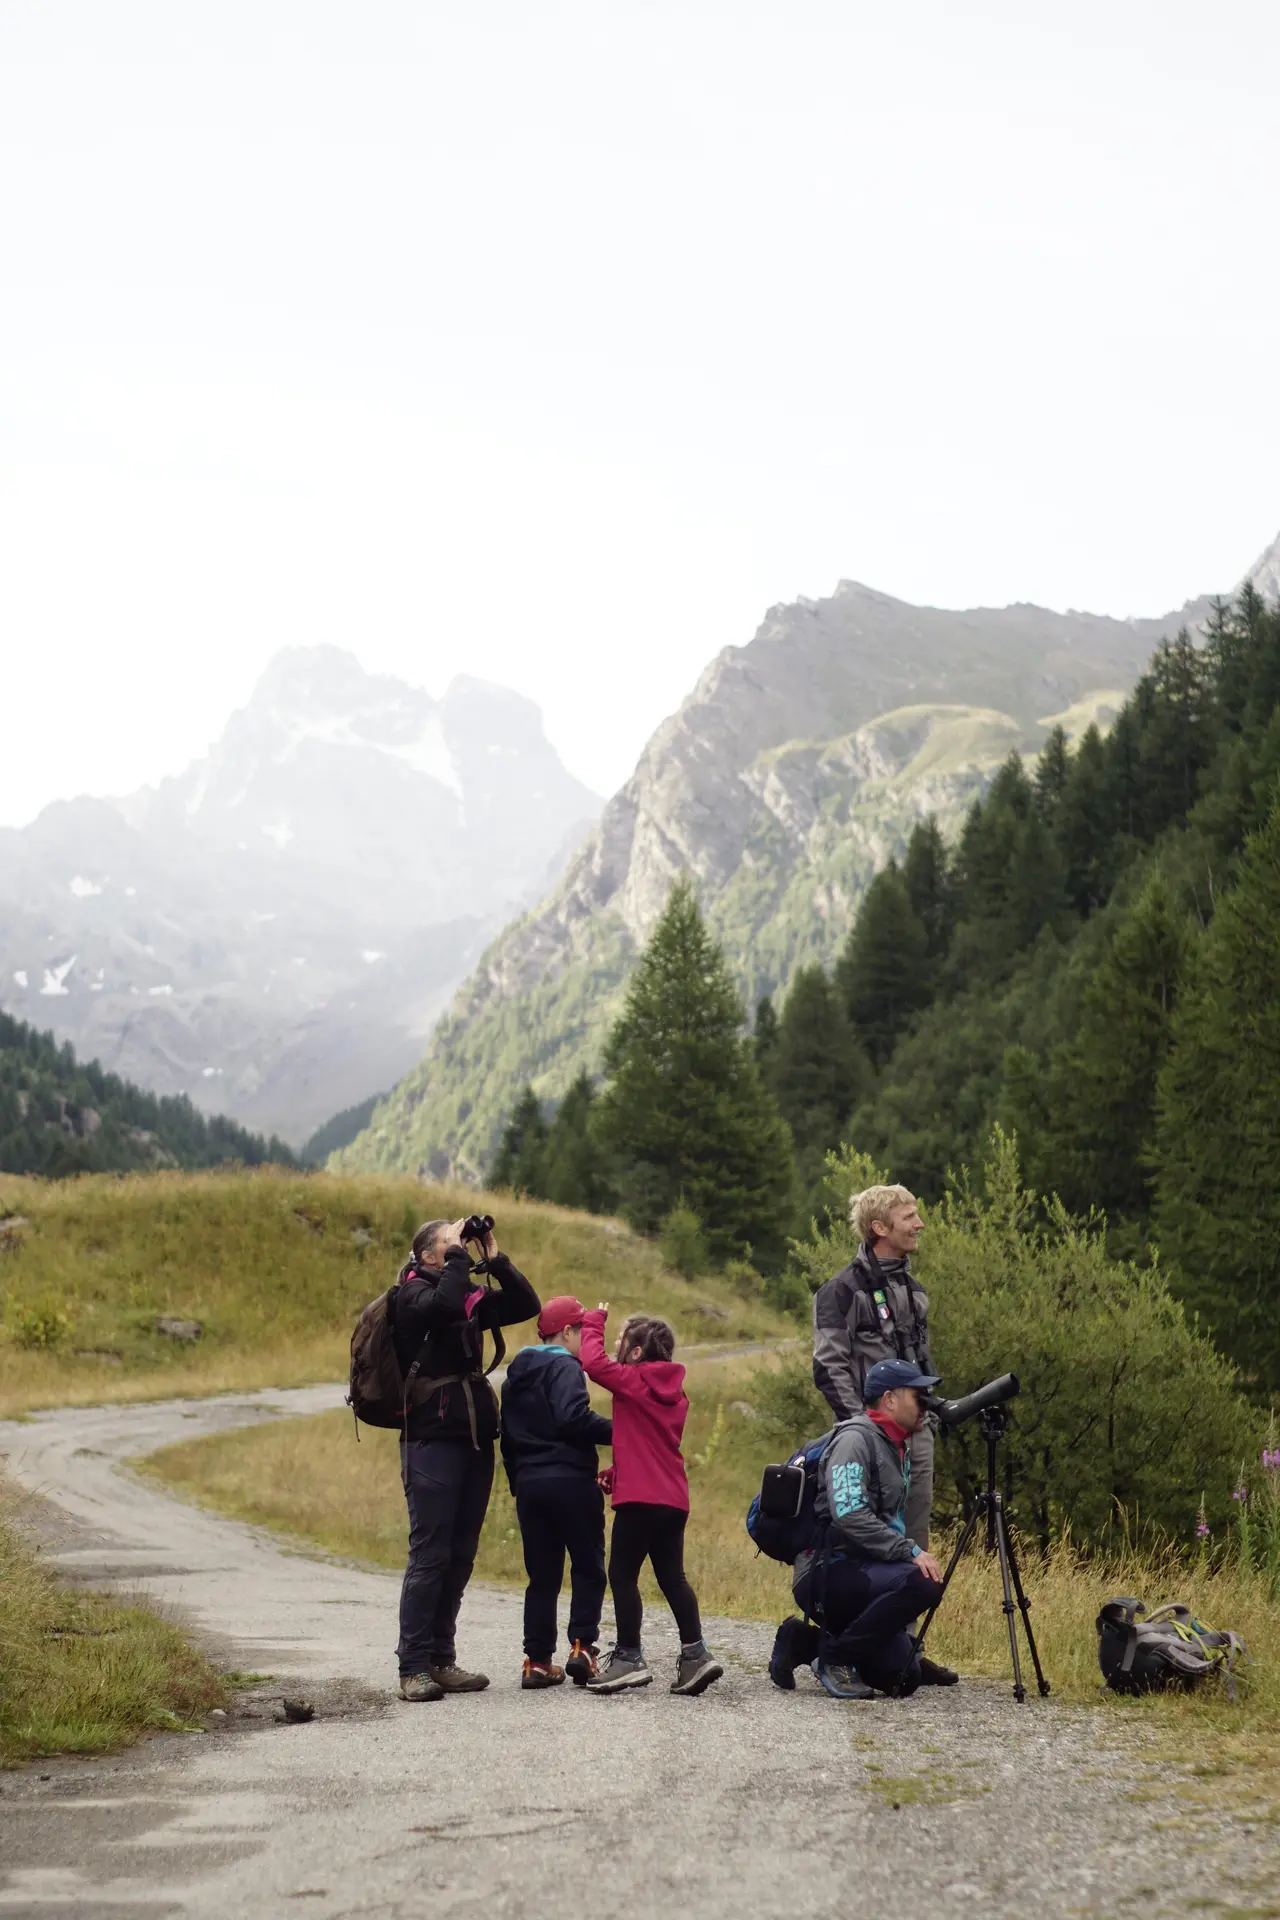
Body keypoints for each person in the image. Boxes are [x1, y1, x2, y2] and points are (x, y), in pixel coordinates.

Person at [391, 1216, 539, 1702]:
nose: (458, 1248)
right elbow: (445, 1302)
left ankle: (441, 1659)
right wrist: (459, 1255)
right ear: (427, 1257)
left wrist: (493, 1259)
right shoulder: (410, 1297)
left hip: (474, 1440)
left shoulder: (464, 1296)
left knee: (459, 1555)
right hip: (430, 1441)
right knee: (430, 1554)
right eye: (447, 1244)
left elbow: (525, 1304)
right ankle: (412, 1667)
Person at [770, 1359, 948, 1699]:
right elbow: (848, 1514)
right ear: (890, 1400)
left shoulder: (896, 1445)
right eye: (917, 1395)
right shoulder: (855, 1440)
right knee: (924, 1581)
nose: (925, 1403)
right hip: (829, 1570)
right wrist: (908, 1550)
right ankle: (833, 1659)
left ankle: (802, 1642)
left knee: (903, 1678)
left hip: (864, 1569)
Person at [579, 1304, 723, 1697]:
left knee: (623, 1575)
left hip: (640, 1501)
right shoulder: (677, 1393)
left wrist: (594, 1319)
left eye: (621, 1340)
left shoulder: (633, 1380)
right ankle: (696, 1654)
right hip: (672, 1499)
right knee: (672, 1577)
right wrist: (618, 1473)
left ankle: (629, 1657)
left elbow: (591, 1363)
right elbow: (649, 1445)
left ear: (638, 1352)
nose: (614, 1345)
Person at [812, 1183, 938, 1559]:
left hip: (916, 1436)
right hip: (868, 1439)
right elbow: (827, 1365)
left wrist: (933, 1410)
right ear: (880, 1228)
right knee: (865, 1535)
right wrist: (861, 1429)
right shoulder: (841, 1290)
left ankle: (906, 1618)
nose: (920, 1224)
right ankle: (862, 1616)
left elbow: (922, 1361)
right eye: (909, 1216)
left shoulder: (914, 1291)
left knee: (914, 1543)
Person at [500, 1294, 613, 1689]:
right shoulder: (565, 1365)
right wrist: (622, 1432)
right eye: (583, 1331)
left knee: (542, 1576)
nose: (586, 1341)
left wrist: (520, 1482)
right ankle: (582, 1648)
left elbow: (508, 1441)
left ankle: (536, 1661)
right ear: (566, 1331)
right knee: (587, 1566)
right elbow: (573, 1417)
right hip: (570, 1480)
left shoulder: (515, 1374)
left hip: (531, 1486)